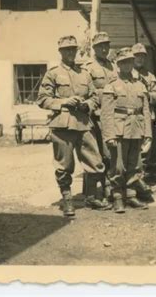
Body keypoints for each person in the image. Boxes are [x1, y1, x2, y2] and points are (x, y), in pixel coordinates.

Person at [37, 35, 105, 217]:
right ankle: (67, 199)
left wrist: (87, 105)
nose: (70, 53)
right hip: (62, 126)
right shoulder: (53, 73)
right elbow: (42, 99)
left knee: (95, 161)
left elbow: (95, 97)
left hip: (83, 123)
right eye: (66, 50)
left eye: (73, 49)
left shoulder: (84, 73)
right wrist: (64, 101)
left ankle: (91, 197)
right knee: (64, 165)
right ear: (60, 52)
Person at [100, 48, 152, 213]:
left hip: (136, 128)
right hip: (119, 130)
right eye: (123, 62)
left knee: (134, 164)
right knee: (118, 166)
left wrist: (148, 134)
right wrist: (109, 135)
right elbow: (106, 113)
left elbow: (146, 111)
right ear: (118, 64)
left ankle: (131, 195)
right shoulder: (112, 85)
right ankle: (117, 197)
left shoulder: (140, 85)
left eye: (130, 61)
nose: (127, 65)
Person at [84, 32, 119, 209]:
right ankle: (90, 194)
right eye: (100, 46)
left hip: (110, 117)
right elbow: (85, 92)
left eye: (107, 45)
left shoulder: (114, 67)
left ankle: (108, 190)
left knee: (110, 155)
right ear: (94, 48)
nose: (104, 48)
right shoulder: (88, 68)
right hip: (94, 117)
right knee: (93, 156)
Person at [132, 42, 156, 201]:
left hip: (146, 117)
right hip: (129, 118)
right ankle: (132, 185)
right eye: (137, 55)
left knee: (145, 150)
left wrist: (148, 94)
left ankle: (140, 183)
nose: (140, 58)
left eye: (142, 56)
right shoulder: (124, 73)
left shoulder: (149, 76)